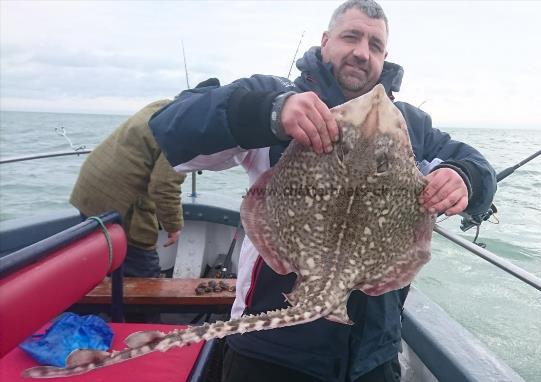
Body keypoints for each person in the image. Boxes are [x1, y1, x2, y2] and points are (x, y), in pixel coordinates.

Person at [150, 1, 497, 380]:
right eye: (351, 36)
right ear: (325, 40)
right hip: (271, 350)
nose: (362, 52)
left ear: (384, 57)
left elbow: (477, 169)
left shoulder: (409, 124)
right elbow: (171, 130)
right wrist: (269, 112)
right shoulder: (275, 94)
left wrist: (462, 177)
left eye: (376, 45)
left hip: (373, 358)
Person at [70, 99, 187, 278]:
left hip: (90, 189)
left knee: (102, 257)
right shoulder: (185, 128)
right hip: (120, 201)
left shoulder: (161, 107)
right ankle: (140, 305)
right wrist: (174, 226)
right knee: (142, 268)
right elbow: (164, 186)